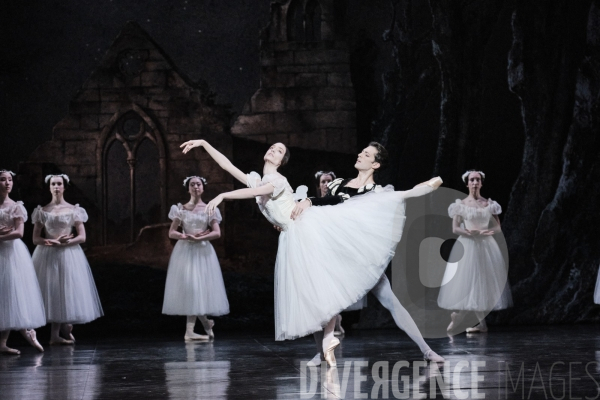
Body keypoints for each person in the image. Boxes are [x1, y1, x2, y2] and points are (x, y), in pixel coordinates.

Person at [180, 140, 445, 366]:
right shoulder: (340, 183)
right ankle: (324, 349)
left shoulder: (373, 191)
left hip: (356, 247)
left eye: (366, 154)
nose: (360, 155)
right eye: (361, 152)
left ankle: (426, 350)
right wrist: (204, 144)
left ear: (376, 164)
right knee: (318, 295)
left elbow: (366, 204)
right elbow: (328, 201)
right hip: (329, 242)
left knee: (386, 298)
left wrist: (304, 202)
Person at [437, 170, 512, 333]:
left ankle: (466, 319)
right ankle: (473, 321)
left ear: (481, 183)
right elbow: (455, 228)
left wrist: (486, 232)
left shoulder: (489, 204)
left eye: (478, 179)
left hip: (486, 246)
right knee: (470, 282)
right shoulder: (461, 205)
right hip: (467, 245)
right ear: (467, 183)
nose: (475, 182)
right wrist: (469, 232)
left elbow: (497, 227)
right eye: (472, 180)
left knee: (481, 284)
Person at [32, 174, 103, 345]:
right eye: (53, 184)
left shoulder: (73, 210)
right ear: (49, 187)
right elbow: (35, 238)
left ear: (64, 187)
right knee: (53, 290)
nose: (56, 187)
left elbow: (82, 236)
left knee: (66, 289)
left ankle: (63, 328)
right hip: (48, 254)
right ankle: (56, 333)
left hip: (69, 254)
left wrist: (66, 242)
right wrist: (52, 242)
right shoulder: (42, 211)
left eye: (59, 184)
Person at [162, 176, 229, 341]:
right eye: (192, 185)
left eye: (198, 184)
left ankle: (194, 329)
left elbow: (217, 232)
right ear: (188, 188)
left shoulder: (209, 208)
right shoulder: (180, 209)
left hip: (203, 251)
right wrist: (186, 236)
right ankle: (202, 325)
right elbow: (171, 232)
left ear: (203, 188)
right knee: (191, 287)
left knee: (198, 288)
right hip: (185, 251)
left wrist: (200, 238)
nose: (195, 187)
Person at [0, 169, 45, 354]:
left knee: (11, 291)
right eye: (3, 180)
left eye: (10, 179)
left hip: (11, 252)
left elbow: (19, 233)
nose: (7, 183)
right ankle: (2, 343)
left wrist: (4, 234)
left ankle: (25, 332)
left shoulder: (16, 206)